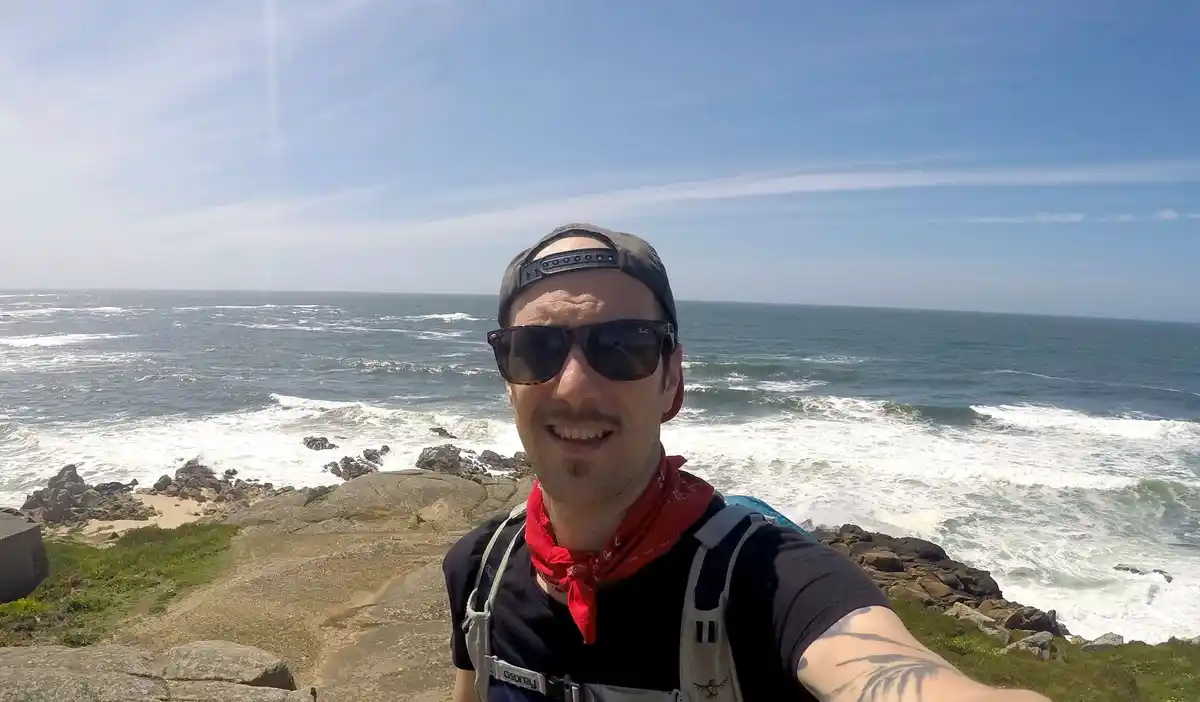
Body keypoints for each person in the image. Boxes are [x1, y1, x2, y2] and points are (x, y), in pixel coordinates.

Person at [442, 223, 1052, 702]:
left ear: (672, 381)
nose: (574, 385)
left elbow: (879, 667)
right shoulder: (479, 574)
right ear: (507, 379)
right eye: (535, 349)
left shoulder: (767, 581)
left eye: (622, 346)